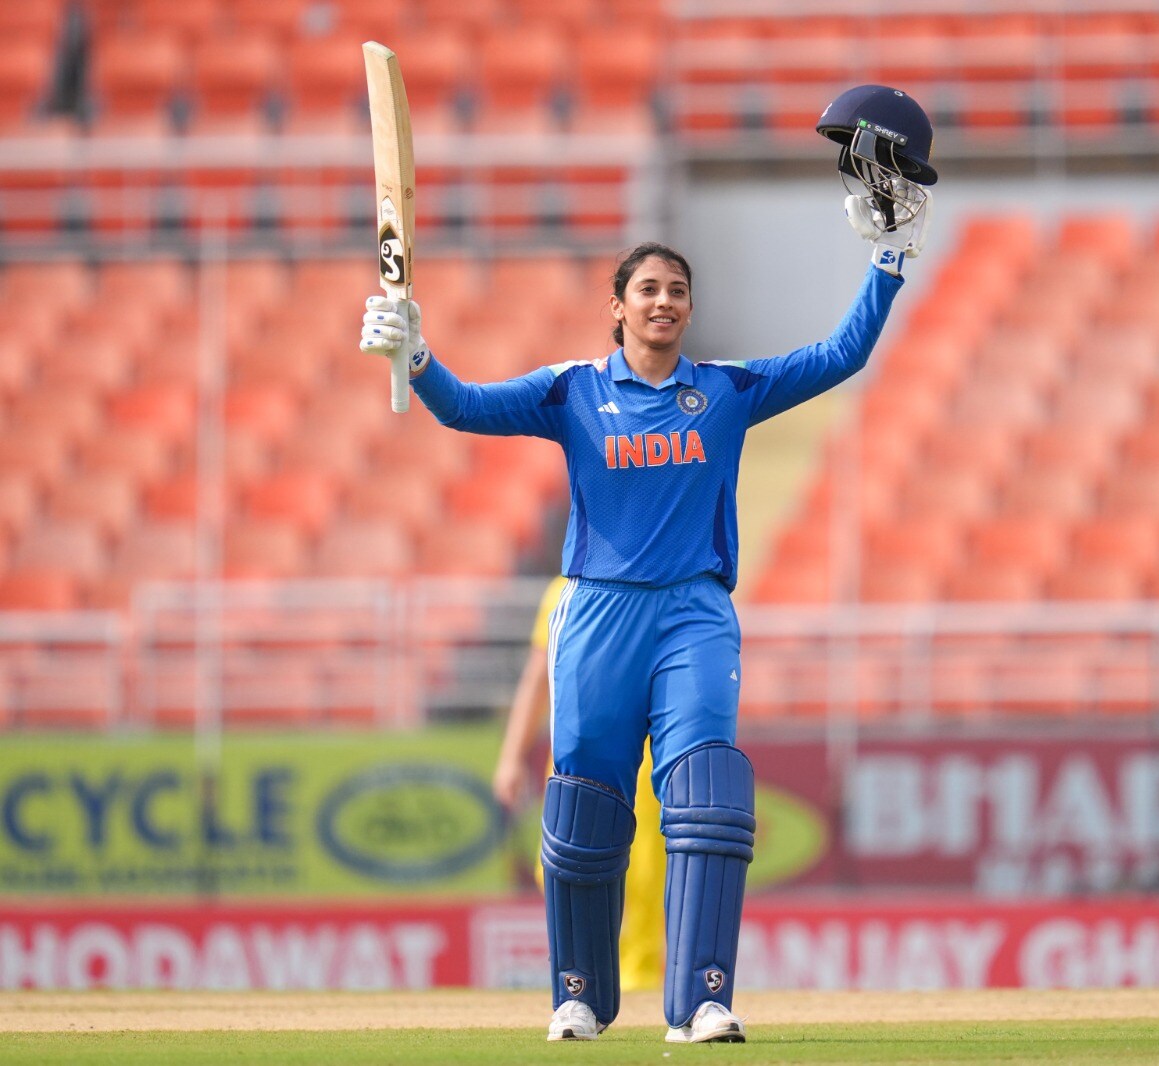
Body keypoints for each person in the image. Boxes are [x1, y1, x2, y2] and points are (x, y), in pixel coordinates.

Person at [357, 84, 935, 1044]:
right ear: (618, 307)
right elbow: (464, 407)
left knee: (707, 795)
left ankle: (701, 998)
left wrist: (889, 259)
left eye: (677, 291)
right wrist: (416, 356)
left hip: (692, 615)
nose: (664, 302)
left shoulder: (729, 390)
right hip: (595, 617)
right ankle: (578, 997)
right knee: (584, 805)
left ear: (689, 309)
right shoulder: (572, 391)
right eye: (648, 289)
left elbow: (842, 355)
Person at [492, 573, 666, 995]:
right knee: (560, 867)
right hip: (575, 752)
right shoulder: (562, 591)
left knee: (641, 876)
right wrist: (512, 756)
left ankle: (639, 983)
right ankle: (582, 982)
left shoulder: (654, 582)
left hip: (641, 756)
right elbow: (539, 675)